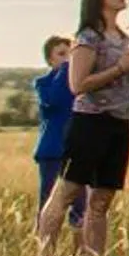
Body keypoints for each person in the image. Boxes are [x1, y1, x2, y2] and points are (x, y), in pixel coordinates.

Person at [41, 0, 129, 256]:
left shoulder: (122, 37)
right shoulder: (89, 37)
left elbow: (116, 76)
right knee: (66, 192)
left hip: (118, 121)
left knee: (102, 198)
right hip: (90, 122)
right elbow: (77, 84)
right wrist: (121, 67)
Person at [31, 36, 83, 233]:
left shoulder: (79, 83)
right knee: (49, 201)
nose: (67, 59)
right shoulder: (43, 83)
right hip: (52, 150)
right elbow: (53, 100)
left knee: (80, 204)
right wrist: (64, 70)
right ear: (50, 60)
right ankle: (45, 253)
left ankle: (79, 255)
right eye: (61, 55)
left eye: (70, 54)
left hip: (77, 148)